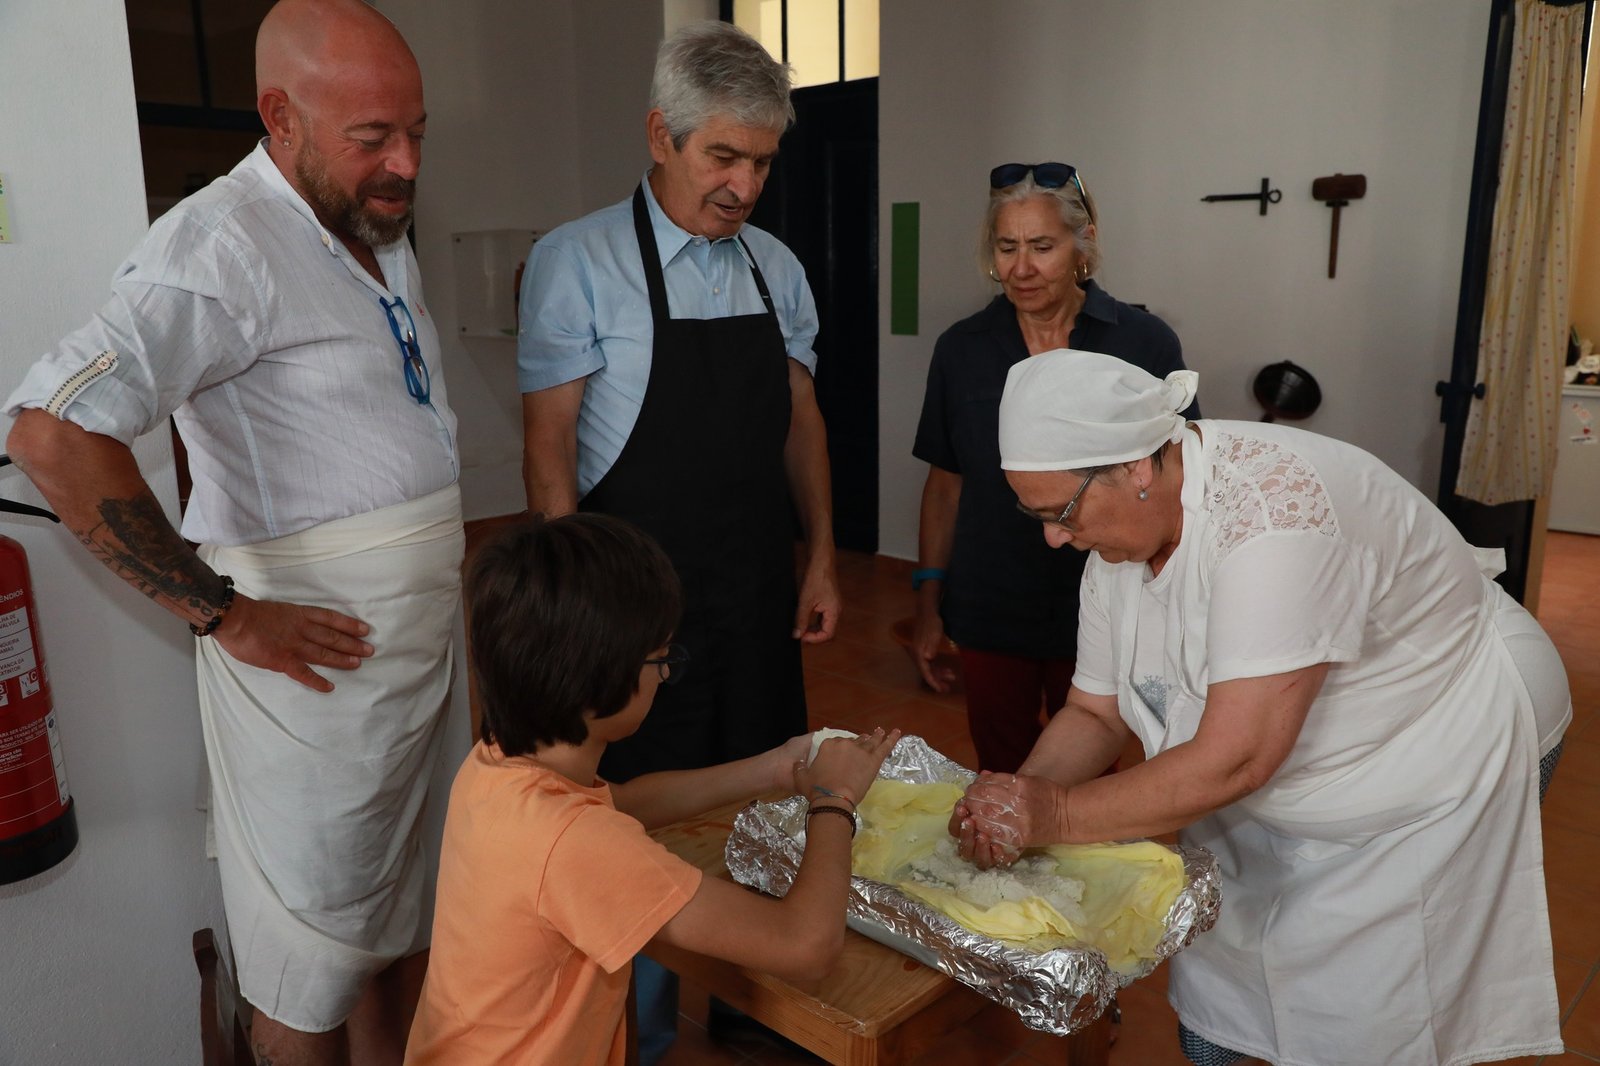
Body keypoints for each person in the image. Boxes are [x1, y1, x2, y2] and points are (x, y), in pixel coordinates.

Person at [5, 3, 459, 1062]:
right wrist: (221, 612)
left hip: (407, 664)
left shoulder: (371, 225)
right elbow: (50, 434)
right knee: (309, 957)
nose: (403, 163)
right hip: (314, 679)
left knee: (390, 930)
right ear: (280, 116)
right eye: (371, 138)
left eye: (417, 132)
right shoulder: (218, 243)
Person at [952, 350, 1569, 1066]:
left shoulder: (1275, 522)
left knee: (1373, 1030)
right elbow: (1095, 713)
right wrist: (1018, 800)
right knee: (1224, 1018)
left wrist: (1053, 816)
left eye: (1058, 512)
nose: (1052, 538)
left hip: (1436, 751)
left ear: (1136, 468)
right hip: (1268, 776)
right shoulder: (1117, 552)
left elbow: (1240, 758)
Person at [517, 22, 836, 1057]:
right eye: (723, 157)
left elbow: (799, 417)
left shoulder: (774, 269)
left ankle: (756, 1011)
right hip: (634, 606)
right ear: (661, 135)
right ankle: (641, 1031)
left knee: (763, 799)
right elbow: (550, 444)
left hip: (751, 590)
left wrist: (822, 552)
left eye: (761, 161)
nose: (744, 185)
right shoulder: (576, 262)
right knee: (635, 821)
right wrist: (576, 608)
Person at [405, 513, 897, 1065]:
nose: (664, 675)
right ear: (601, 677)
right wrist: (834, 801)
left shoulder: (497, 765)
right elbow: (805, 947)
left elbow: (626, 801)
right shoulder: (578, 845)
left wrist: (774, 769)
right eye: (660, 658)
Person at [911, 163, 1196, 773]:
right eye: (1006, 247)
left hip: (1111, 595)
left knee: (1095, 767)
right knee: (1002, 768)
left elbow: (1186, 479)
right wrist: (929, 602)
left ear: (1082, 245)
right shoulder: (963, 349)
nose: (1021, 267)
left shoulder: (1143, 344)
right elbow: (946, 485)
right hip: (993, 602)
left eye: (1042, 246)